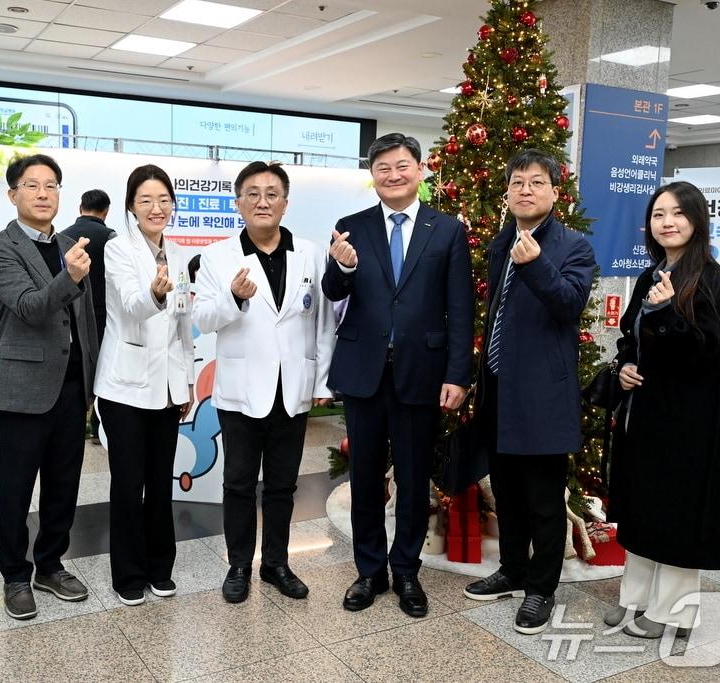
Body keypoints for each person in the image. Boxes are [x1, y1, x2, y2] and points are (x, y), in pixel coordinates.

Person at [322, 133, 474, 618]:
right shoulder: (351, 227)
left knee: (412, 478)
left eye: (402, 165)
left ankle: (406, 570)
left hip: (422, 371)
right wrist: (343, 268)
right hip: (363, 370)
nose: (393, 174)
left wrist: (458, 374)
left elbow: (460, 308)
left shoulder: (446, 230)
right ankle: (369, 571)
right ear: (373, 175)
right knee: (365, 477)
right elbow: (332, 291)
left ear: (420, 170)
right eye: (383, 167)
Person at [463, 149, 596, 635]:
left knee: (543, 500)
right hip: (500, 390)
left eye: (537, 182)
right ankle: (513, 569)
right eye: (517, 182)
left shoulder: (574, 246)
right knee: (508, 492)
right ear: (507, 193)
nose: (526, 190)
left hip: (542, 395)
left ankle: (541, 588)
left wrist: (537, 264)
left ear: (555, 192)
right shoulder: (503, 242)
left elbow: (568, 305)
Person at [193, 161, 335, 603]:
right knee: (238, 483)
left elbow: (324, 322)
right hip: (241, 389)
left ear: (285, 203)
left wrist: (322, 381)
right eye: (252, 194)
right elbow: (203, 318)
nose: (262, 201)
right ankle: (238, 565)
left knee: (282, 485)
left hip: (293, 388)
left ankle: (276, 563)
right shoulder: (218, 256)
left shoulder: (310, 253)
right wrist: (233, 298)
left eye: (272, 193)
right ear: (238, 203)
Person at [605, 181, 720, 638]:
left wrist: (666, 315)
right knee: (644, 506)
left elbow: (704, 352)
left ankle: (673, 614)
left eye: (678, 213)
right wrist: (626, 365)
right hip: (648, 414)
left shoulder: (710, 279)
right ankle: (635, 599)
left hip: (690, 420)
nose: (667, 222)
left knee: (679, 512)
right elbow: (631, 337)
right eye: (659, 214)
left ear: (696, 220)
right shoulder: (650, 276)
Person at [0, 153, 99, 620]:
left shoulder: (70, 244)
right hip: (23, 388)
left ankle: (50, 565)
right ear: (14, 195)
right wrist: (70, 276)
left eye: (51, 185)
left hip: (71, 387)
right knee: (15, 489)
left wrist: (91, 383)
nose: (43, 193)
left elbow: (85, 320)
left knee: (63, 486)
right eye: (32, 185)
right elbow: (30, 307)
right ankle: (14, 575)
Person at [94, 165, 194, 607]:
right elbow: (133, 305)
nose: (157, 208)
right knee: (127, 482)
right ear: (132, 206)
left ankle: (160, 567)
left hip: (167, 387)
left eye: (164, 200)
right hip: (125, 387)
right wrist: (155, 293)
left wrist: (187, 381)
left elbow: (184, 323)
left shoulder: (178, 253)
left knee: (159, 481)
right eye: (146, 200)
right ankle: (128, 573)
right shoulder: (118, 249)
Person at [62, 189, 115, 444]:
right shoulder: (111, 238)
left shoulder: (62, 237)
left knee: (76, 367)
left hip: (70, 313)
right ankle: (98, 427)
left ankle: (74, 423)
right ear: (106, 211)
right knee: (102, 368)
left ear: (80, 207)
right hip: (103, 314)